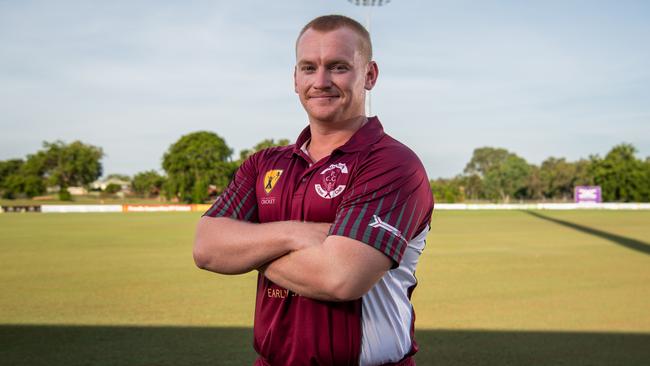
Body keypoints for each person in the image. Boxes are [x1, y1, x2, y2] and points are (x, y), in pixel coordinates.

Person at [194, 14, 434, 366]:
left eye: (338, 67)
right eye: (309, 68)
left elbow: (340, 278)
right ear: (295, 78)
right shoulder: (263, 164)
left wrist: (249, 247)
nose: (320, 81)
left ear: (369, 75)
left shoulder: (392, 163)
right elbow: (207, 248)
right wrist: (297, 234)